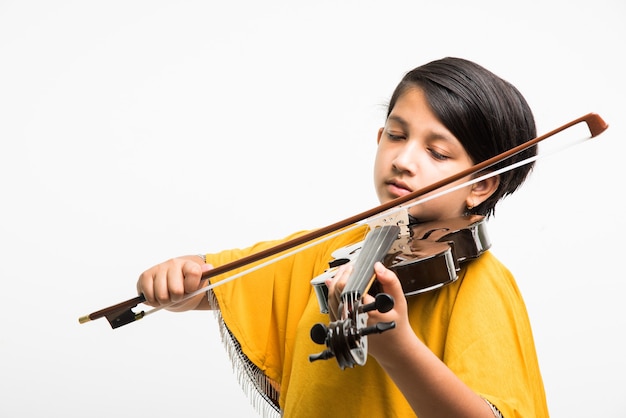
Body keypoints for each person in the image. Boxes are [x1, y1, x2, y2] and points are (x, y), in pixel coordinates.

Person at [137, 57, 549, 418]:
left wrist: (398, 347)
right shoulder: (335, 251)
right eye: (396, 135)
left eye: (438, 153)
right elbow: (216, 283)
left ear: (481, 185)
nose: (403, 160)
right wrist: (177, 277)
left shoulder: (481, 283)